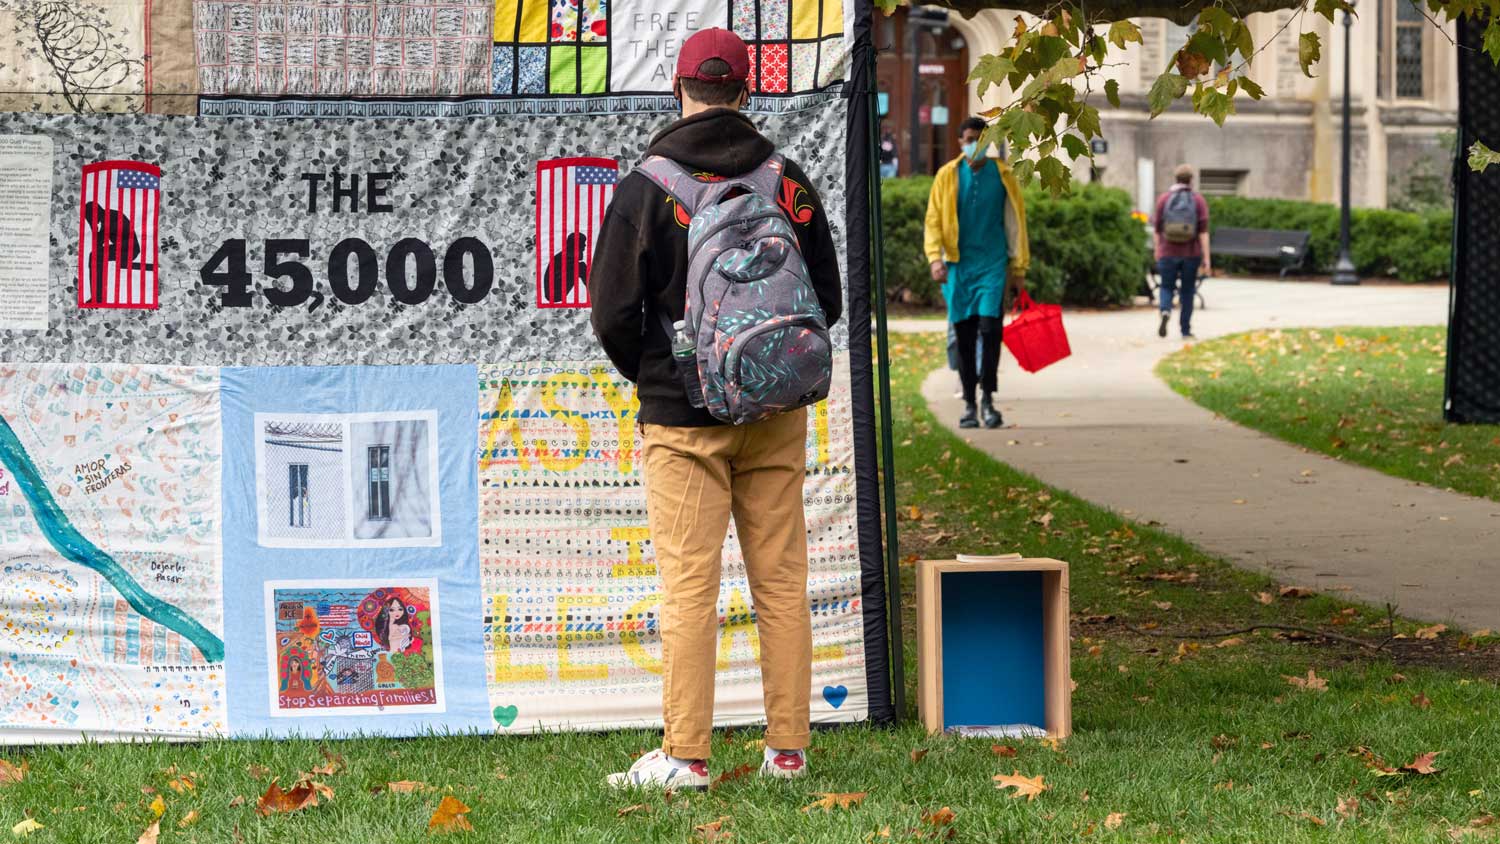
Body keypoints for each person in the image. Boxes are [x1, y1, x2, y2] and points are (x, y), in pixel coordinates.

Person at [588, 27, 843, 791]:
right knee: (781, 580)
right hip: (774, 413)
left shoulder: (646, 187)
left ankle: (688, 756)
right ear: (745, 91)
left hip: (682, 420)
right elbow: (824, 301)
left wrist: (663, 377)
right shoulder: (787, 183)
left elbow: (610, 313)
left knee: (690, 587)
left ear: (679, 89)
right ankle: (788, 751)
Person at [923, 117, 1029, 429]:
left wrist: (1019, 268)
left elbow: (1015, 224)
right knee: (965, 337)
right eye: (970, 137)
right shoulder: (947, 176)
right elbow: (933, 221)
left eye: (981, 138)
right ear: (959, 142)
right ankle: (969, 403)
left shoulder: (1005, 175)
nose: (975, 143)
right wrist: (934, 258)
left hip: (993, 267)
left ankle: (988, 400)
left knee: (990, 331)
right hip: (958, 267)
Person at [1153, 164, 1211, 340]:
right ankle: (1185, 330)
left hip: (1167, 252)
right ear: (1191, 180)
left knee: (1166, 286)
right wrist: (1207, 258)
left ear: (1175, 178)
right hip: (1190, 254)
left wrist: (1157, 250)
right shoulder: (1198, 200)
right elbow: (1203, 232)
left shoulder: (1164, 199)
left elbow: (1156, 228)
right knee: (1187, 291)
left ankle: (1165, 310)